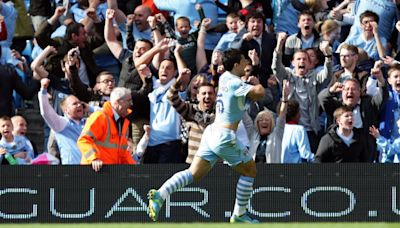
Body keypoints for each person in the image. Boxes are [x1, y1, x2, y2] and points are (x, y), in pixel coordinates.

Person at [147, 49, 265, 223]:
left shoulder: (225, 78)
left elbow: (241, 97)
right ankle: (239, 215)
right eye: (244, 61)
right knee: (250, 171)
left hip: (212, 133)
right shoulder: (234, 83)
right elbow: (260, 92)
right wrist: (256, 75)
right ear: (236, 65)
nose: (246, 63)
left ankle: (160, 194)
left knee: (193, 173)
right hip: (224, 136)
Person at [273, 32, 333, 153]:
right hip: (290, 128)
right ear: (293, 62)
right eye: (298, 59)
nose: (302, 61)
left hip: (311, 129)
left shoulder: (315, 76)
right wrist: (279, 45)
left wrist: (328, 56)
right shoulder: (287, 75)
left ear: (310, 63)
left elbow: (327, 76)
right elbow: (276, 67)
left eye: (305, 59)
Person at [318, 76, 388, 162]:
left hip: (365, 147)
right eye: (346, 89)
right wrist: (331, 90)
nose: (350, 91)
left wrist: (381, 79)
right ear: (341, 92)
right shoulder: (336, 106)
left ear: (360, 92)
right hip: (341, 148)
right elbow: (322, 98)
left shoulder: (369, 104)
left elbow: (383, 96)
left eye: (353, 89)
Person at [77, 87, 135, 172]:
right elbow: (83, 140)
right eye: (128, 100)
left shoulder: (122, 122)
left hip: (109, 172)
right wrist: (94, 159)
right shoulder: (100, 117)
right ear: (118, 102)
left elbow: (123, 152)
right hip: (95, 171)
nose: (131, 104)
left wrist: (133, 168)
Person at [38, 78, 87, 165]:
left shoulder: (88, 122)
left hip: (92, 170)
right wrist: (43, 90)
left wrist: (90, 108)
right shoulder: (62, 124)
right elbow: (46, 112)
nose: (79, 105)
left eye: (80, 103)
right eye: (74, 104)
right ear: (66, 110)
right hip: (72, 171)